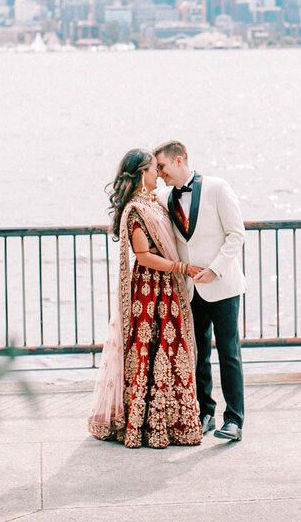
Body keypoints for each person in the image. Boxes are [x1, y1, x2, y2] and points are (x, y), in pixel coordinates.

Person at [88, 148, 205, 448]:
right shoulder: (136, 210)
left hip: (166, 287)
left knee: (170, 352)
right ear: (142, 174)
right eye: (155, 169)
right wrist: (183, 268)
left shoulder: (154, 203)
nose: (159, 174)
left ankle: (171, 420)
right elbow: (144, 256)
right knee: (154, 353)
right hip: (151, 290)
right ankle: (148, 424)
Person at [154, 140, 247, 442]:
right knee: (198, 353)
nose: (159, 173)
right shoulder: (164, 196)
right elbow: (141, 197)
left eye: (162, 167)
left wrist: (215, 269)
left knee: (229, 353)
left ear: (179, 161)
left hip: (222, 285)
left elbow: (236, 234)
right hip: (191, 290)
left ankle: (234, 419)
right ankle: (205, 412)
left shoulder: (219, 187)